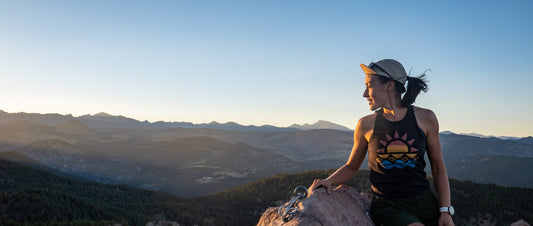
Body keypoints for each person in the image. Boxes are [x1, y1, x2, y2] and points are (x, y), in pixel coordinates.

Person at [309, 59, 454, 226]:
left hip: (425, 202)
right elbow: (352, 166)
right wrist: (329, 181)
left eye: (369, 86)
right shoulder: (365, 125)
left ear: (390, 85)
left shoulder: (425, 118)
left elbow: (437, 167)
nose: (364, 94)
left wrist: (445, 210)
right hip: (388, 205)